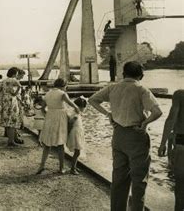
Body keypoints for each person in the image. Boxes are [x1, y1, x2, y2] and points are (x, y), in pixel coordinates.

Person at [89, 61, 162, 211]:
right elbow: (157, 112)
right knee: (139, 181)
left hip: (118, 135)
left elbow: (92, 100)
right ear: (141, 75)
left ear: (123, 74)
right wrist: (145, 123)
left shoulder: (113, 87)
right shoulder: (141, 89)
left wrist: (108, 114)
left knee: (118, 179)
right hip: (136, 136)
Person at [36, 78, 80, 174]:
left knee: (47, 144)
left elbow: (43, 108)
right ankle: (61, 168)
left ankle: (41, 166)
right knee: (60, 144)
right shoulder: (62, 94)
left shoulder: (47, 94)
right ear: (63, 85)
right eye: (65, 86)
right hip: (60, 118)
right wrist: (77, 110)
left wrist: (48, 115)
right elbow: (72, 104)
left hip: (50, 117)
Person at [158, 90, 184, 211]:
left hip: (182, 144)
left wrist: (163, 143)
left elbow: (171, 119)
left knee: (180, 187)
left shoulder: (180, 95)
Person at [0, 67, 22, 147]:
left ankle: (10, 140)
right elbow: (20, 86)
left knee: (7, 121)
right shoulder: (14, 80)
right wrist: (15, 93)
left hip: (5, 99)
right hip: (11, 99)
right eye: (16, 74)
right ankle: (11, 141)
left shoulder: (3, 81)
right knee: (12, 120)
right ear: (14, 74)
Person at [67, 97, 87, 175]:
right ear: (80, 107)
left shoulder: (76, 113)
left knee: (77, 151)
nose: (84, 109)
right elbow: (70, 123)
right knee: (77, 151)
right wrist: (68, 134)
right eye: (83, 107)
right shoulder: (75, 115)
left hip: (77, 132)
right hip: (75, 133)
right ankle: (73, 169)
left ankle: (74, 166)